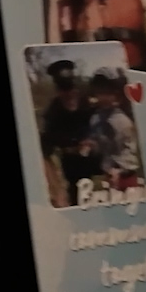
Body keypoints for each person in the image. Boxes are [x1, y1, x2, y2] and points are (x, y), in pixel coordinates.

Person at [38, 59, 100, 208]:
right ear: (58, 93)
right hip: (72, 165)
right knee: (77, 199)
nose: (70, 98)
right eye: (65, 93)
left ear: (76, 90)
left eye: (72, 92)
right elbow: (45, 148)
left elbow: (103, 127)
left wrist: (93, 140)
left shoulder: (89, 104)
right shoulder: (53, 113)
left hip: (98, 160)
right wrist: (57, 190)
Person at [87, 69, 144, 190]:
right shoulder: (95, 119)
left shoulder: (123, 122)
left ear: (116, 94)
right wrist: (91, 145)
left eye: (108, 92)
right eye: (100, 91)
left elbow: (129, 150)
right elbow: (99, 146)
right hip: (108, 176)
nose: (104, 97)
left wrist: (119, 170)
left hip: (126, 176)